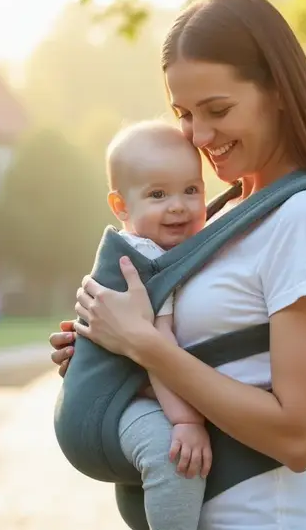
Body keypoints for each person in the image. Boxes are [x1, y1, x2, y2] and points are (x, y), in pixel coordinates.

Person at [51, 0, 306, 529]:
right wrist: (107, 359)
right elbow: (205, 363)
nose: (200, 137)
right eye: (184, 113)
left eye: (218, 110)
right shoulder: (226, 214)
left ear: (277, 90)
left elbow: (299, 437)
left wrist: (141, 343)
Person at [103, 119, 212, 529]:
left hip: (135, 393)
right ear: (121, 207)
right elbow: (157, 344)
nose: (179, 206)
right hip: (122, 404)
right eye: (158, 194)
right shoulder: (143, 262)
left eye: (191, 189)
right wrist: (187, 421)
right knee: (176, 459)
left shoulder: (154, 249)